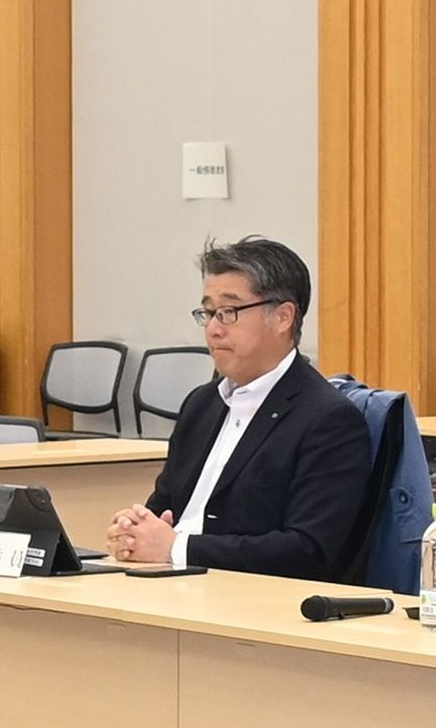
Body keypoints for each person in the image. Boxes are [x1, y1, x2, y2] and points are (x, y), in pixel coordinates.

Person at [101, 238, 371, 573]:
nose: (214, 329)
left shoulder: (328, 420)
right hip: (173, 582)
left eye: (229, 313)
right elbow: (164, 509)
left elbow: (307, 550)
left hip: (248, 594)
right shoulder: (201, 404)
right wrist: (133, 532)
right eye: (208, 313)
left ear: (284, 317)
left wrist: (176, 548)